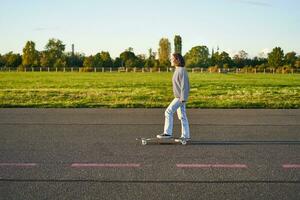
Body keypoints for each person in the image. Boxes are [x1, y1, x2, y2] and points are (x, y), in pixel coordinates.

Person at [157, 53, 190, 141]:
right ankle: (185, 136)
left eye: (172, 59)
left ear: (177, 60)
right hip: (179, 97)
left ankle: (167, 133)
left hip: (180, 98)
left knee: (168, 111)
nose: (171, 60)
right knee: (182, 116)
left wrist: (183, 99)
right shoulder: (178, 70)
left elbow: (185, 85)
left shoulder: (182, 70)